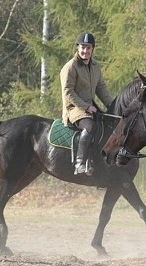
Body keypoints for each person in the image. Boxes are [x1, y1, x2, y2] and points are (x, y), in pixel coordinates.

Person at [60, 32, 113, 175]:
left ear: (92, 49)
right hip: (74, 108)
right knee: (90, 127)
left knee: (108, 124)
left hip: (91, 107)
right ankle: (80, 163)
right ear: (77, 48)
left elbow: (101, 88)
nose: (85, 51)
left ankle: (98, 162)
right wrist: (86, 107)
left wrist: (112, 106)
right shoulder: (70, 67)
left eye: (88, 48)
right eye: (83, 47)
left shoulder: (95, 66)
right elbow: (68, 92)